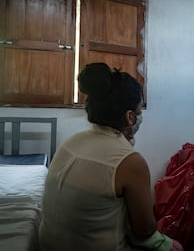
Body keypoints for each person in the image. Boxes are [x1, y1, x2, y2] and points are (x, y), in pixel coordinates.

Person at [39, 63, 183, 251]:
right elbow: (145, 231)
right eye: (140, 110)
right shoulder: (130, 162)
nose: (141, 116)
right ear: (130, 117)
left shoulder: (71, 143)